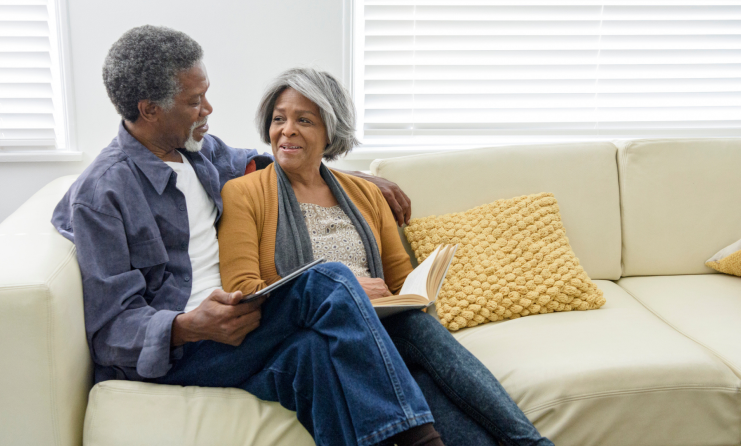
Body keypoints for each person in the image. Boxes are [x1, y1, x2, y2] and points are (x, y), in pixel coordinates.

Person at [52, 25, 448, 446]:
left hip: (244, 322)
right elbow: (110, 328)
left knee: (313, 356)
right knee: (328, 278)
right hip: (187, 350)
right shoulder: (103, 195)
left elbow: (277, 160)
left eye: (206, 93)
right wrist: (188, 326)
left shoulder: (200, 151)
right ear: (150, 110)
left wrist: (353, 179)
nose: (208, 108)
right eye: (194, 101)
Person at [217, 67, 554, 446]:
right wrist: (347, 290)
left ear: (331, 131)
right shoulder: (243, 193)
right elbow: (244, 291)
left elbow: (400, 279)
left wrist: (408, 298)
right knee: (417, 332)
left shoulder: (366, 194)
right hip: (313, 330)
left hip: (384, 326)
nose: (287, 130)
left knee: (420, 343)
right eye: (279, 119)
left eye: (304, 120)